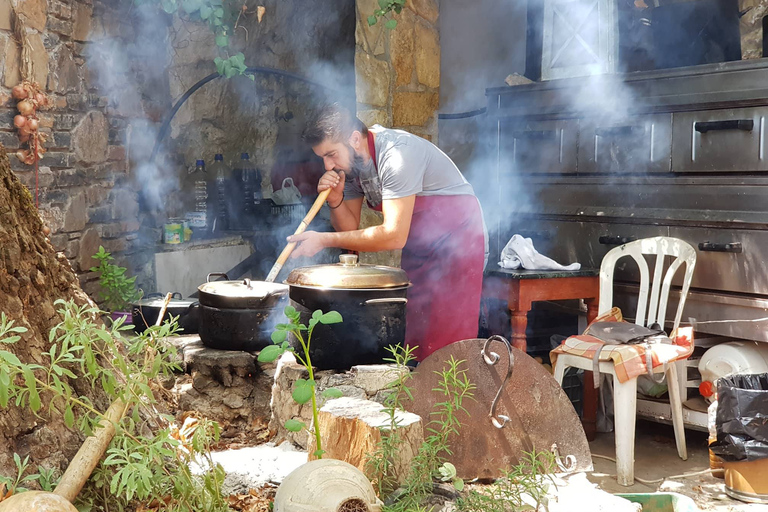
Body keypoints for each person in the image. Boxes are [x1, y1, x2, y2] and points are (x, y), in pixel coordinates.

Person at [289, 103, 487, 361]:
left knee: (448, 343)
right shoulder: (351, 167)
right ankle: (416, 399)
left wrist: (324, 239)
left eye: (331, 154)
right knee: (413, 336)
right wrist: (335, 200)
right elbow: (349, 227)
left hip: (457, 241)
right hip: (420, 242)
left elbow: (393, 235)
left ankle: (453, 401)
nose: (328, 166)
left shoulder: (397, 156)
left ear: (354, 139)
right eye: (323, 158)